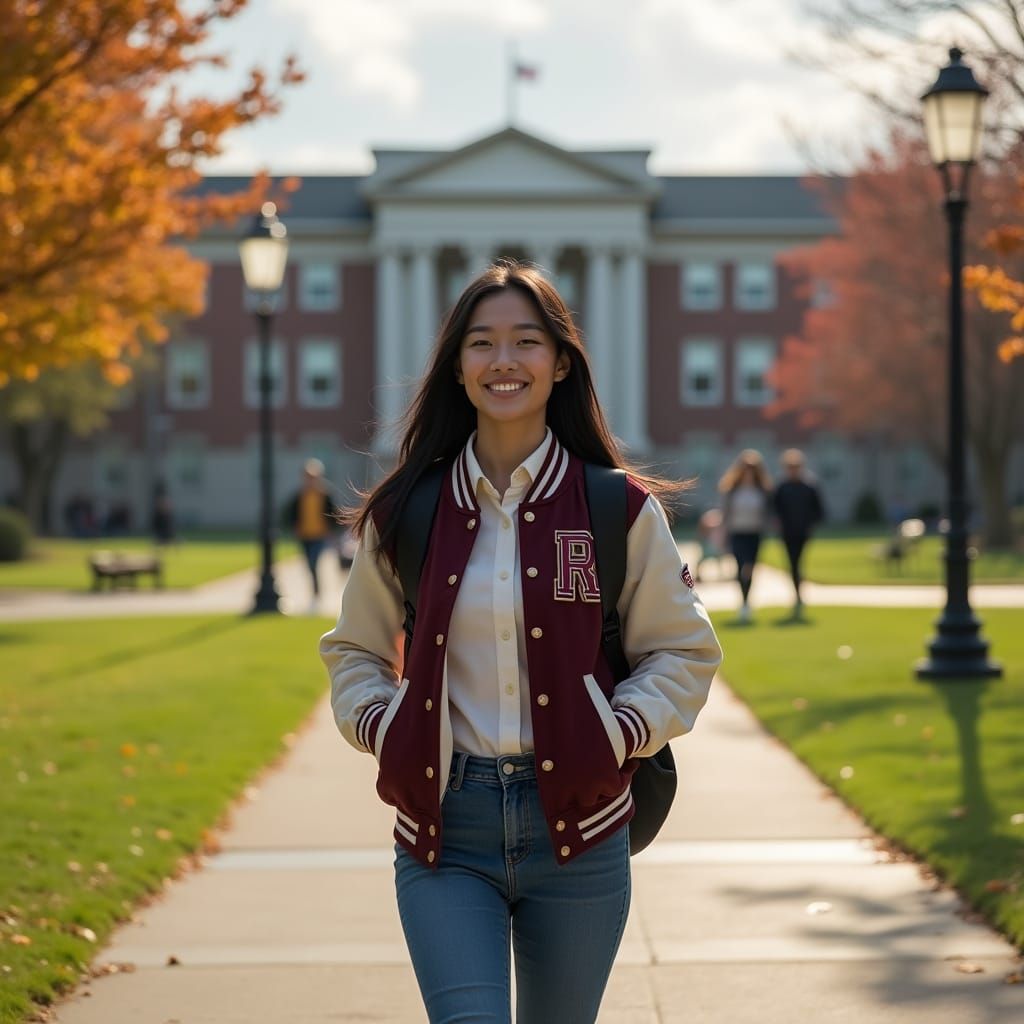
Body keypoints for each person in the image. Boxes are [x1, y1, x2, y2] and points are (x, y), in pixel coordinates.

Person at [320, 262, 722, 1024]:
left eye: (525, 342)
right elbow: (355, 651)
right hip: (445, 831)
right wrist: (386, 725)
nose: (503, 361)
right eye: (482, 344)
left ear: (560, 361)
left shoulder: (618, 508)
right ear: (459, 368)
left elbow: (684, 651)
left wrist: (619, 729)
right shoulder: (406, 511)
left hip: (580, 832)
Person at [719, 449, 772, 623]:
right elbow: (725, 514)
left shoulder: (761, 491)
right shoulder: (732, 490)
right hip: (737, 533)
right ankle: (743, 603)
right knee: (740, 567)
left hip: (754, 534)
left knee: (749, 568)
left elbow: (767, 513)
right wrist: (722, 533)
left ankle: (747, 602)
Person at [773, 448, 825, 617]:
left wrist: (810, 524)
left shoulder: (809, 486)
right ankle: (797, 594)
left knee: (798, 562)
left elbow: (819, 511)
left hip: (803, 532)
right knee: (792, 563)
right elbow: (775, 509)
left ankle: (798, 594)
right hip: (787, 532)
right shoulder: (782, 487)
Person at [285, 458, 339, 610]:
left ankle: (317, 593)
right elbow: (292, 514)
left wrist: (331, 531)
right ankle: (314, 590)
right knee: (309, 564)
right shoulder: (300, 495)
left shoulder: (325, 494)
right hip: (304, 535)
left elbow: (333, 514)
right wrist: (295, 527)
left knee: (314, 562)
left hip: (319, 535)